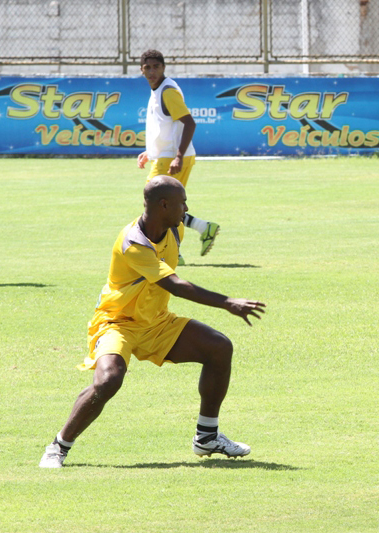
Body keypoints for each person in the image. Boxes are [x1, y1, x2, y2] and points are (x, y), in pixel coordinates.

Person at [39, 176, 266, 468]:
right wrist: (228, 302)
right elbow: (176, 285)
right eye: (183, 203)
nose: (187, 209)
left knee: (219, 347)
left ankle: (207, 436)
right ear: (164, 205)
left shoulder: (175, 228)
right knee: (108, 380)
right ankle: (58, 446)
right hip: (117, 322)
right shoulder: (133, 242)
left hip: (156, 321)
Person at [137, 49, 219, 265]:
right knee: (165, 205)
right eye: (148, 67)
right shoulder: (158, 90)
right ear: (141, 70)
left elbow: (189, 123)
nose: (152, 71)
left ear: (164, 68)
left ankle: (174, 252)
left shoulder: (168, 92)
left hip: (172, 158)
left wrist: (178, 157)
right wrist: (150, 152)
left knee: (155, 204)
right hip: (165, 156)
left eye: (156, 67)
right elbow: (165, 127)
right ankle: (201, 229)